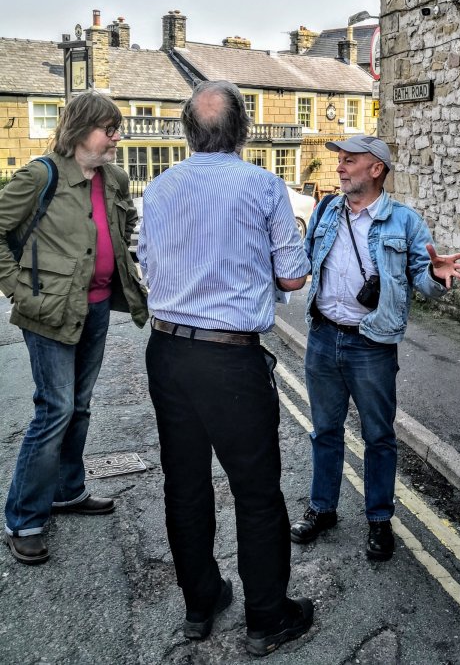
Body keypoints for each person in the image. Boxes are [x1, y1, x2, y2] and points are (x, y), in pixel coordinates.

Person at [138, 80, 314, 654]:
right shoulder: (264, 186)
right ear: (241, 130)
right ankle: (267, 618)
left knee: (184, 485)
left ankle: (201, 602)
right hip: (229, 357)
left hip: (166, 350)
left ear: (189, 133)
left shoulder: (159, 188)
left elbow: (148, 265)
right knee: (257, 490)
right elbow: (292, 276)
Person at [290, 135, 460, 561]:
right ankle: (322, 508)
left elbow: (423, 279)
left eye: (349, 161)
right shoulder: (327, 211)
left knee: (379, 436)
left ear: (376, 169)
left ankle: (378, 520)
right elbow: (302, 259)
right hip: (322, 336)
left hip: (371, 344)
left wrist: (439, 278)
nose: (339, 167)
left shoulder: (403, 222)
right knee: (325, 431)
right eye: (340, 161)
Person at [0, 91, 148, 566]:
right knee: (55, 409)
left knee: (79, 407)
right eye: (111, 128)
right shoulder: (40, 175)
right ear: (83, 129)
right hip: (50, 313)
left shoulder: (115, 179)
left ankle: (68, 490)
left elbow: (122, 234)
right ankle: (24, 518)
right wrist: (17, 290)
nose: (118, 137)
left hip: (99, 307)